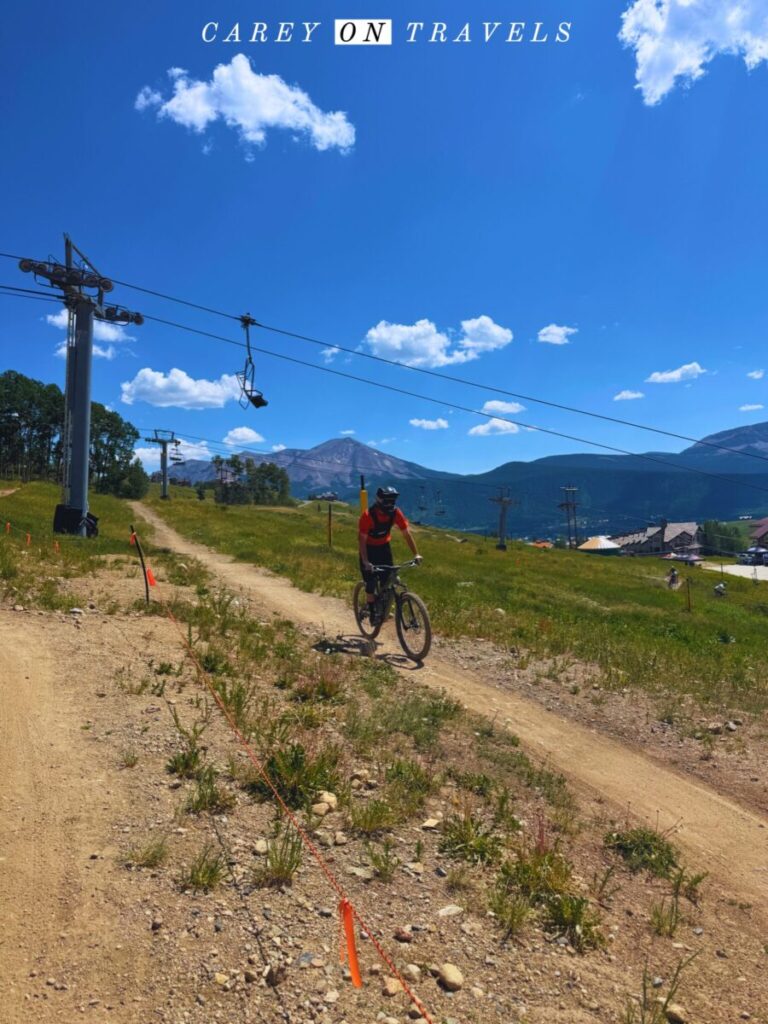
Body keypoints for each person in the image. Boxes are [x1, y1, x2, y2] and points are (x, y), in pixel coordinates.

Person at [359, 486, 421, 622]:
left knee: (389, 579)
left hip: (383, 547)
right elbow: (362, 540)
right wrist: (365, 561)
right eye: (387, 501)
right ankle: (372, 611)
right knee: (370, 582)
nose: (390, 504)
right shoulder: (368, 516)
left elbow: (406, 533)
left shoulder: (395, 513)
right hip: (368, 549)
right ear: (380, 500)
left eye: (392, 501)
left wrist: (416, 554)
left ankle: (384, 607)